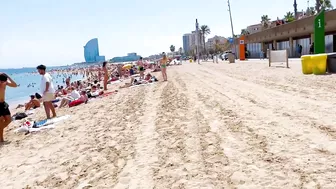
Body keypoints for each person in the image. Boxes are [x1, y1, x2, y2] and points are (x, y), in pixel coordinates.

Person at [0, 73, 17, 142]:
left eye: (3, 81)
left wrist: (8, 76)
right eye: (1, 81)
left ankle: (0, 131)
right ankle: (1, 139)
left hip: (3, 104)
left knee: (9, 119)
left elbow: (15, 85)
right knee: (1, 121)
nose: (2, 83)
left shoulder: (5, 83)